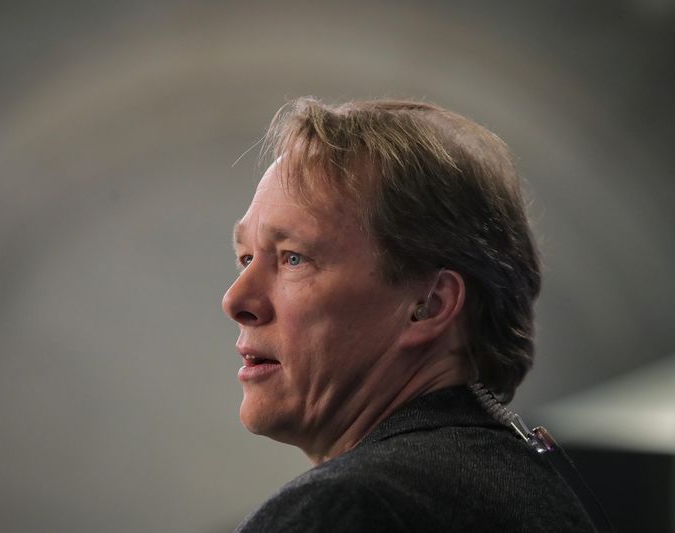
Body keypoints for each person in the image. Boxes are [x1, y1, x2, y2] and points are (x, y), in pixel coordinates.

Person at [221, 98, 597, 532]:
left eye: (293, 259)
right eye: (246, 258)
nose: (236, 300)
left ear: (430, 305)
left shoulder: (345, 509)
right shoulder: (538, 493)